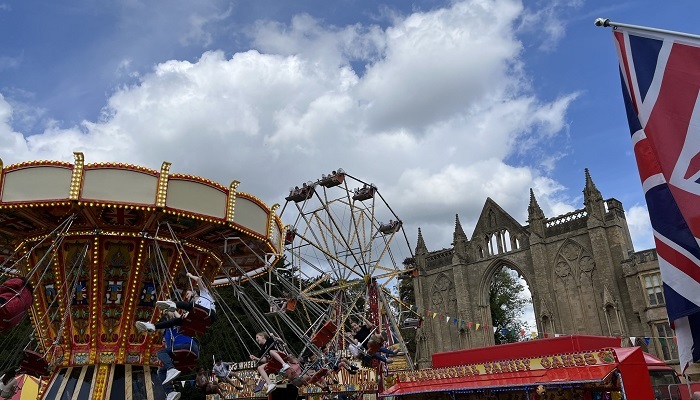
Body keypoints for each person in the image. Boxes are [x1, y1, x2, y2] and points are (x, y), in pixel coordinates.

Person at [135, 272, 216, 333]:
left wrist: (190, 275)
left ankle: (173, 304)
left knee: (190, 306)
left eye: (188, 293)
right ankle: (153, 326)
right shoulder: (194, 307)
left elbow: (198, 279)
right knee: (176, 321)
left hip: (210, 314)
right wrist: (174, 311)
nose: (187, 296)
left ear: (194, 291)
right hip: (200, 321)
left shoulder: (204, 294)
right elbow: (180, 317)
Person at [156, 315, 199, 400]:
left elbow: (175, 317)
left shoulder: (171, 327)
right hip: (185, 352)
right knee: (161, 371)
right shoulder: (167, 337)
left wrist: (169, 311)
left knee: (160, 353)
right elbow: (170, 350)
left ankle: (171, 369)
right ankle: (170, 392)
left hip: (187, 346)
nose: (158, 332)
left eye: (159, 329)